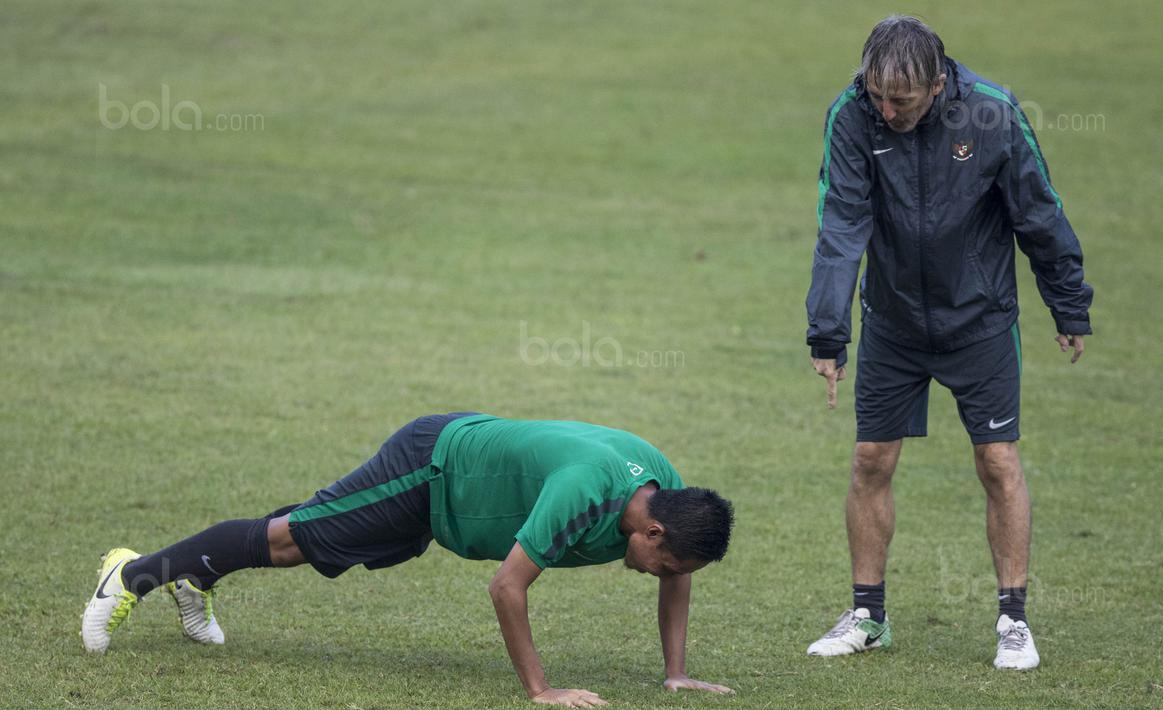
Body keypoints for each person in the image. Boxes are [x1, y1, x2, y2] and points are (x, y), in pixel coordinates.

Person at [83, 412, 735, 706]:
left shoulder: (665, 489)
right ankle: (132, 574)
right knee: (290, 538)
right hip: (433, 468)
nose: (665, 579)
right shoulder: (586, 492)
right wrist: (541, 690)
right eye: (667, 564)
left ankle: (197, 574)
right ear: (650, 532)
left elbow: (678, 582)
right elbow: (507, 588)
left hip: (458, 492)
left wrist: (675, 673)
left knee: (310, 540)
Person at [804, 16, 1093, 670]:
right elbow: (841, 223)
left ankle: (1013, 623)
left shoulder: (990, 113)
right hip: (891, 323)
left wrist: (1067, 301)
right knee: (869, 460)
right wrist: (828, 331)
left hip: (980, 322)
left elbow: (1037, 212)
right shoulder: (852, 117)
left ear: (937, 84)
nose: (886, 109)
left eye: (900, 100)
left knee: (997, 462)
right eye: (877, 95)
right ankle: (868, 617)